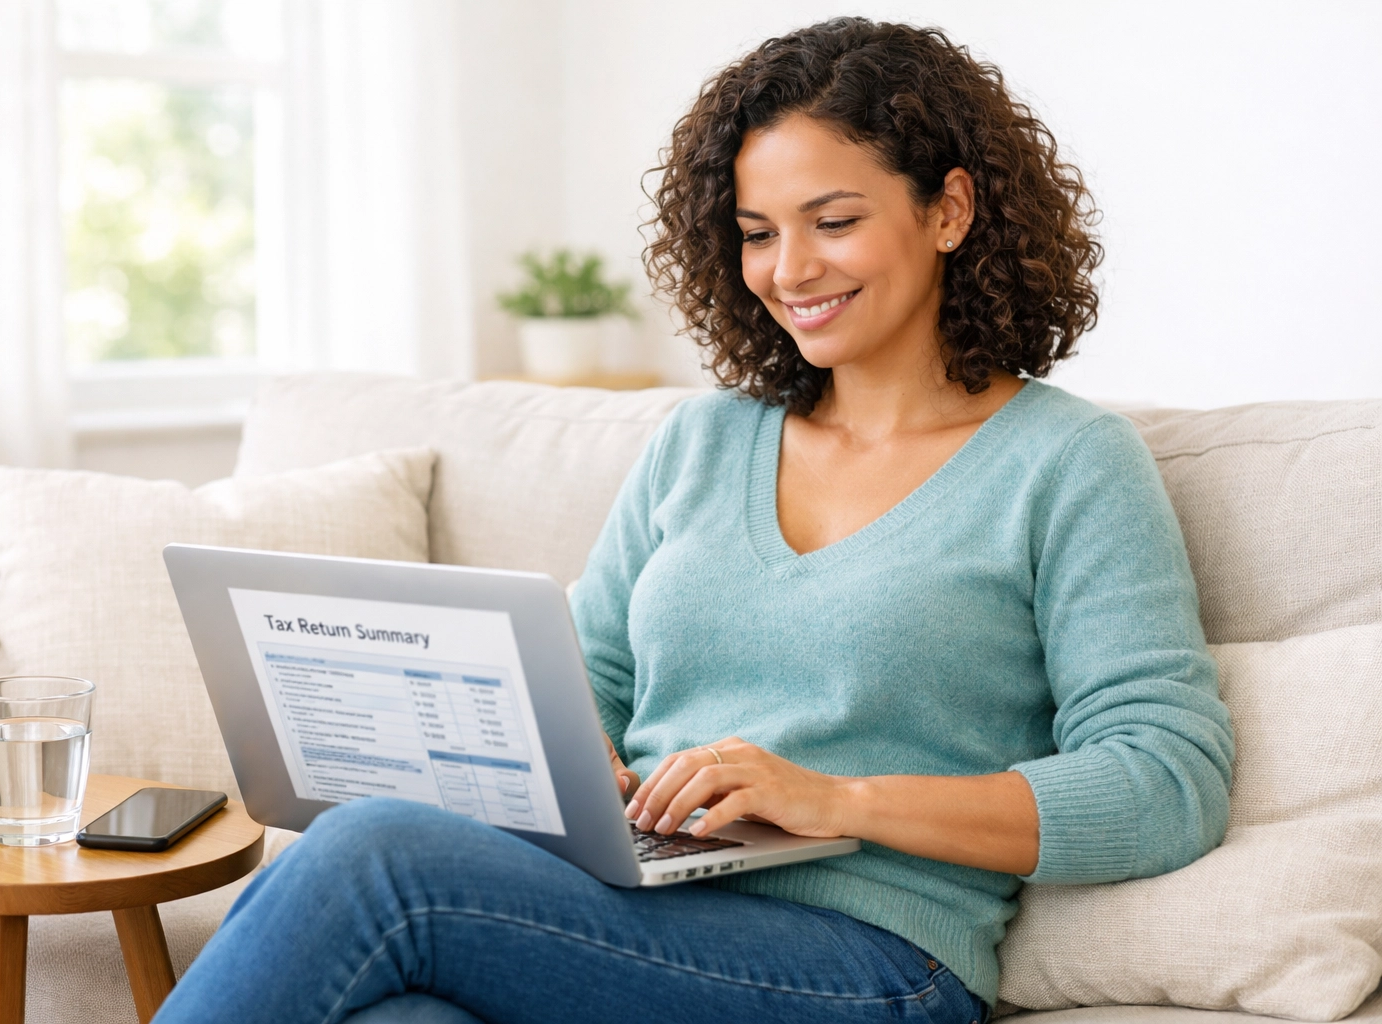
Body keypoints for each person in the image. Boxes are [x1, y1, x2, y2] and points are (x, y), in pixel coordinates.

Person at [154, 18, 1233, 1024]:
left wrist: (838, 800)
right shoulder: (705, 440)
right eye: (758, 233)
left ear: (949, 210)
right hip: (644, 905)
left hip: (876, 958)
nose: (789, 270)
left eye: (835, 221)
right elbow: (594, 680)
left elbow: (1165, 782)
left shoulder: (1067, 463)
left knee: (373, 858)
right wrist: (560, 758)